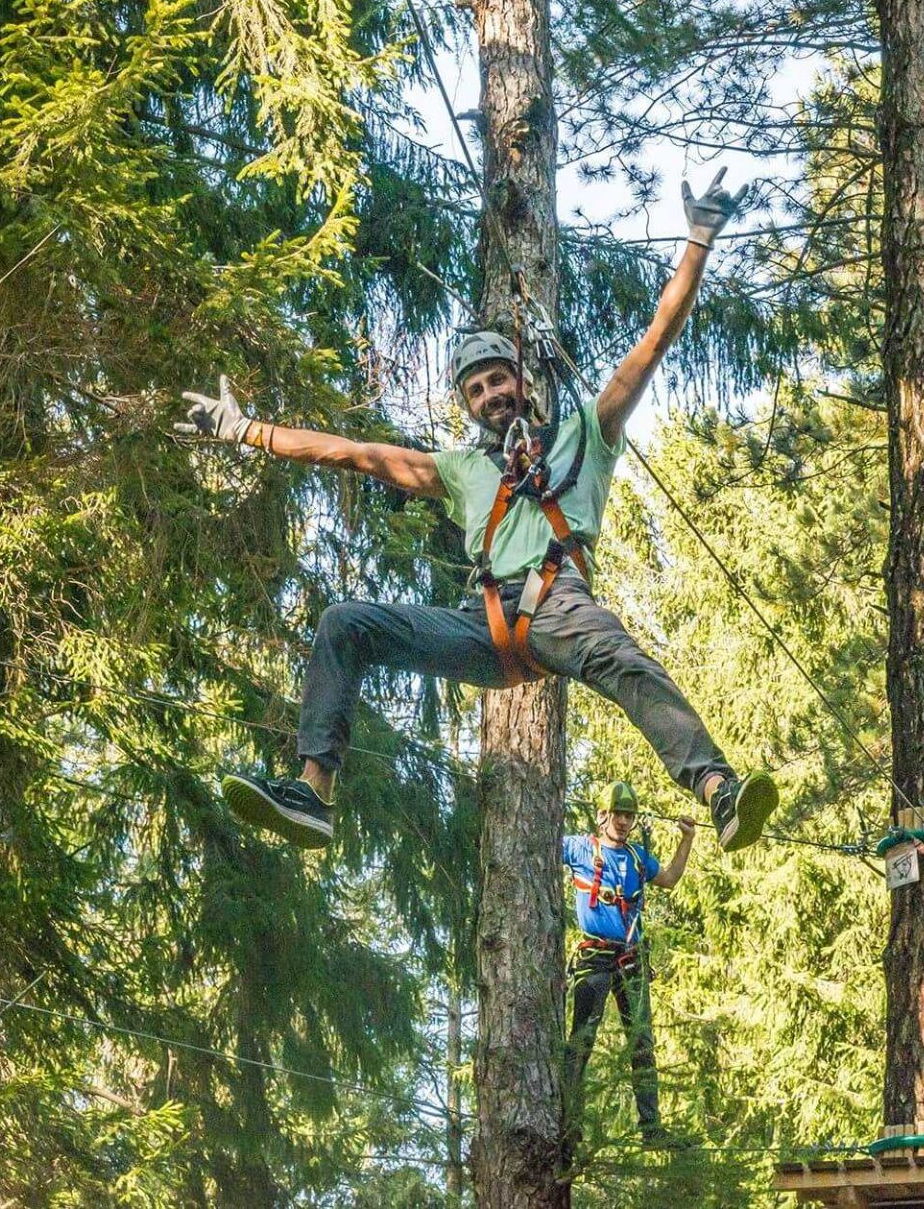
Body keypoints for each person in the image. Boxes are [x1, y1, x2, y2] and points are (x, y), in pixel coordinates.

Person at [174, 170, 777, 852]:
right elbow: (356, 454)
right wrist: (250, 431)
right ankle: (314, 792)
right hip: (481, 625)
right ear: (468, 405)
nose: (490, 394)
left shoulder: (585, 431)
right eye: (476, 389)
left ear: (522, 382)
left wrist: (697, 239)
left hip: (558, 604)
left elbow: (651, 345)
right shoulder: (461, 469)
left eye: (498, 380)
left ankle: (717, 790)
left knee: (624, 662)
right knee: (346, 623)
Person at [561, 780, 691, 1152]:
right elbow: (541, 842)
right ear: (603, 815)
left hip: (631, 960)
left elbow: (668, 879)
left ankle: (652, 1129)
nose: (623, 820)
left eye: (629, 815)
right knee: (581, 1041)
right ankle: (569, 1124)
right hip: (595, 957)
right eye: (618, 813)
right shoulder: (581, 848)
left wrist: (686, 840)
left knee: (642, 1044)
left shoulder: (636, 858)